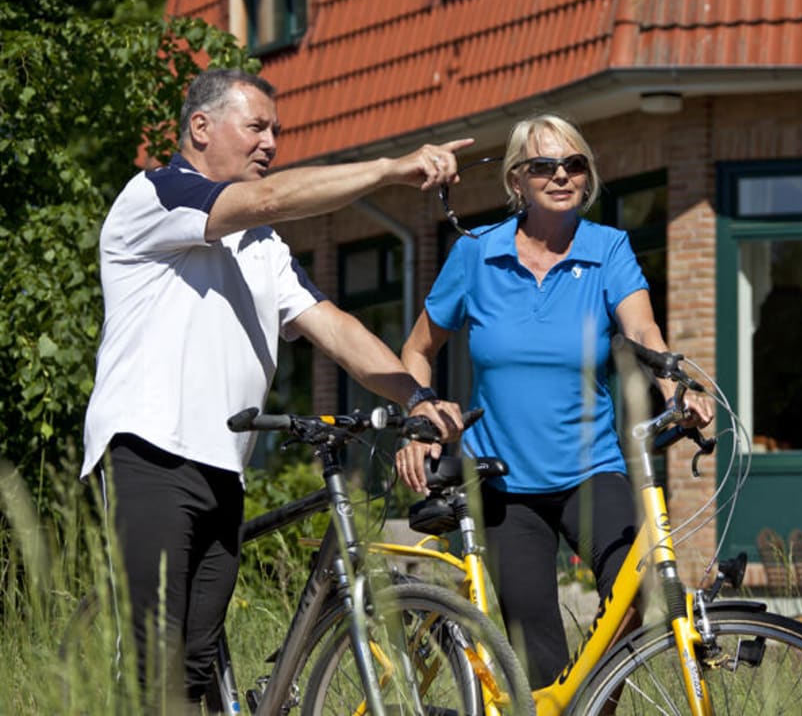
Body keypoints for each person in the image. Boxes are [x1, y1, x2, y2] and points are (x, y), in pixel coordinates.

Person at [79, 68, 470, 710]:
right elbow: (269, 199)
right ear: (200, 128)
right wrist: (388, 170)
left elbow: (336, 329)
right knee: (153, 666)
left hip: (222, 469)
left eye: (277, 133)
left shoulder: (261, 246)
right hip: (146, 451)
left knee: (196, 669)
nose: (270, 144)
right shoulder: (157, 196)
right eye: (257, 127)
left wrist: (415, 397)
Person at [395, 114, 714, 687]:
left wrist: (679, 386)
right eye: (544, 165)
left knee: (639, 594)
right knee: (538, 655)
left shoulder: (607, 248)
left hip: (591, 469)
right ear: (517, 179)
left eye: (575, 164)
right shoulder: (477, 254)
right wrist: (420, 411)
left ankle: (593, 699)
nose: (561, 175)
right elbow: (417, 350)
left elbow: (643, 334)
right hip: (502, 484)